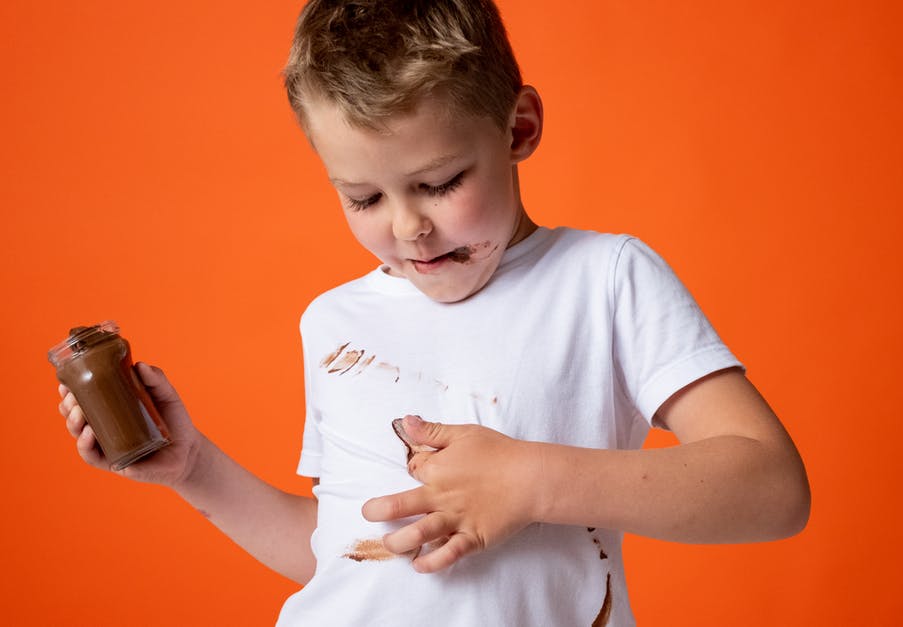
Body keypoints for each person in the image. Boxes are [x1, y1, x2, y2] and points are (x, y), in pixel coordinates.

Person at [55, 1, 811, 624]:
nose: (408, 227)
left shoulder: (604, 279)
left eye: (441, 182)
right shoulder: (334, 322)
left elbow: (772, 488)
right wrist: (195, 469)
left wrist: (532, 479)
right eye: (363, 198)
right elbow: (350, 551)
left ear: (518, 130)